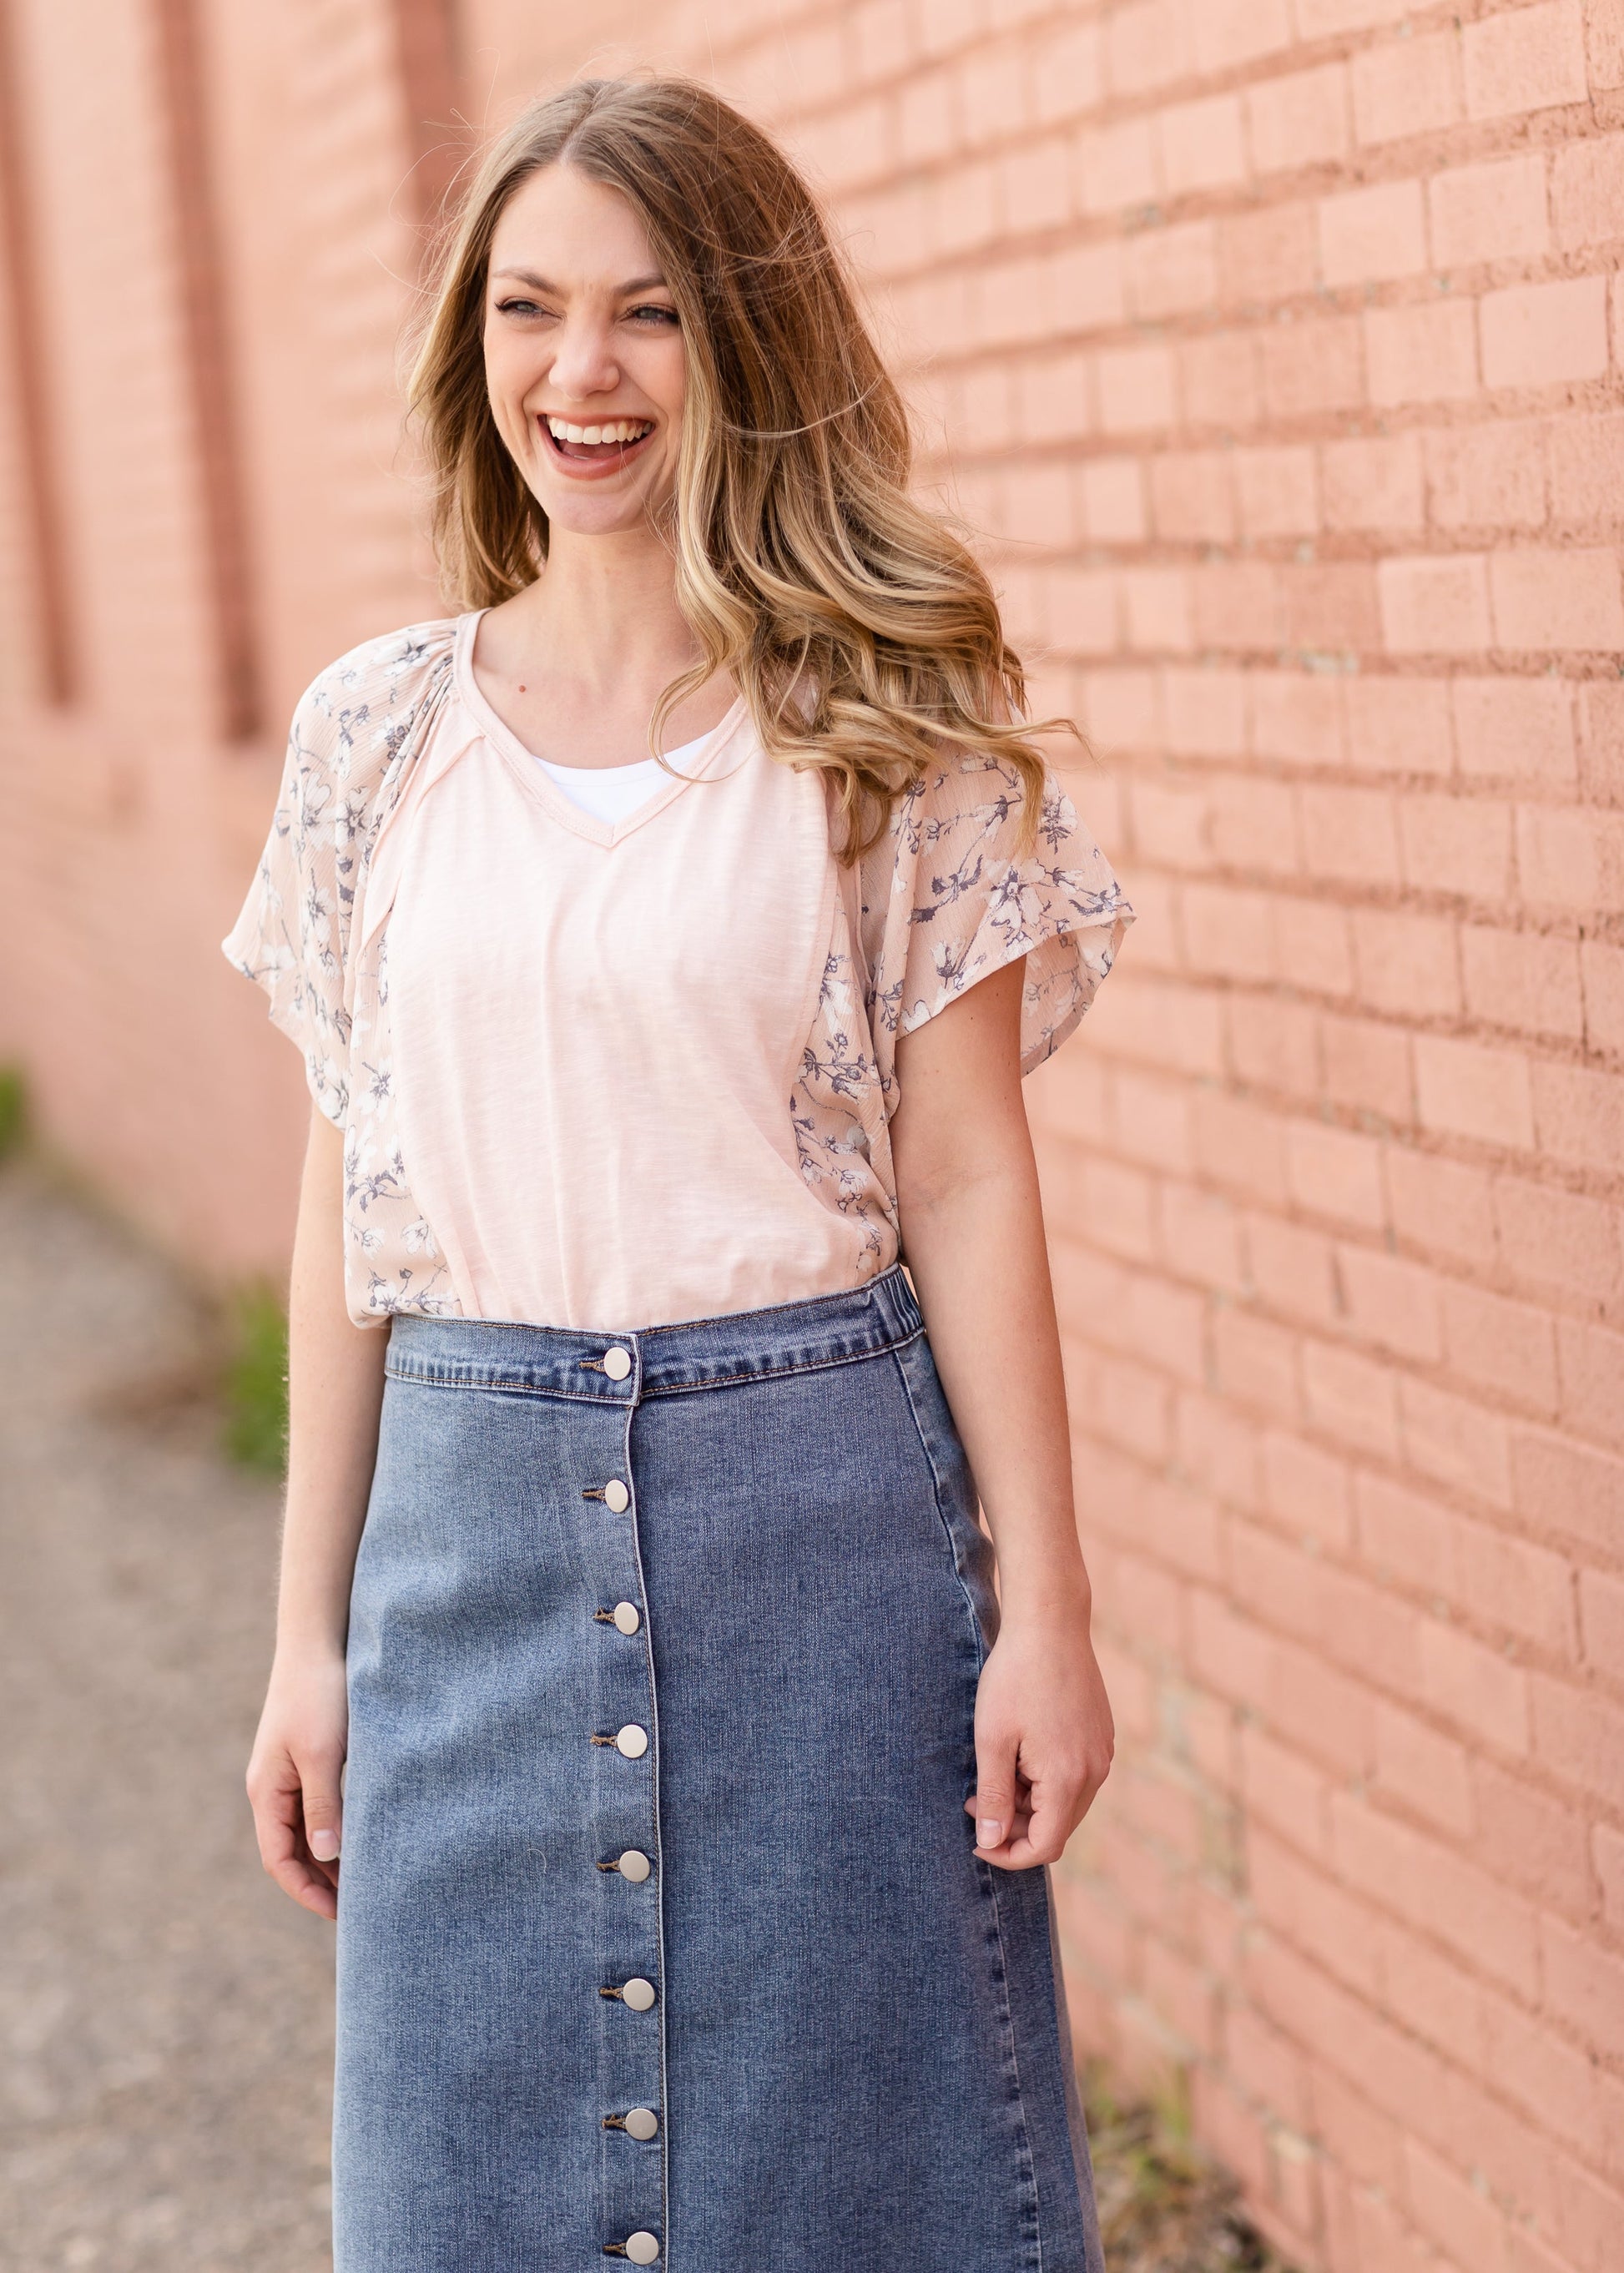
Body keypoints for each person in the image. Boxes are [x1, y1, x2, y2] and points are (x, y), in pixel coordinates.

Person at [223, 73, 1131, 2273]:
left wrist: (1047, 1611)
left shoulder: (875, 725)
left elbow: (974, 1182)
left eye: (644, 314)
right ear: (477, 350)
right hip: (464, 1536)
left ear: (744, 337)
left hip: (819, 1532)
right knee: (472, 2199)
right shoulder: (375, 740)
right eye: (529, 311)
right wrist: (303, 1639)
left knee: (868, 2185)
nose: (582, 374)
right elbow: (353, 1205)